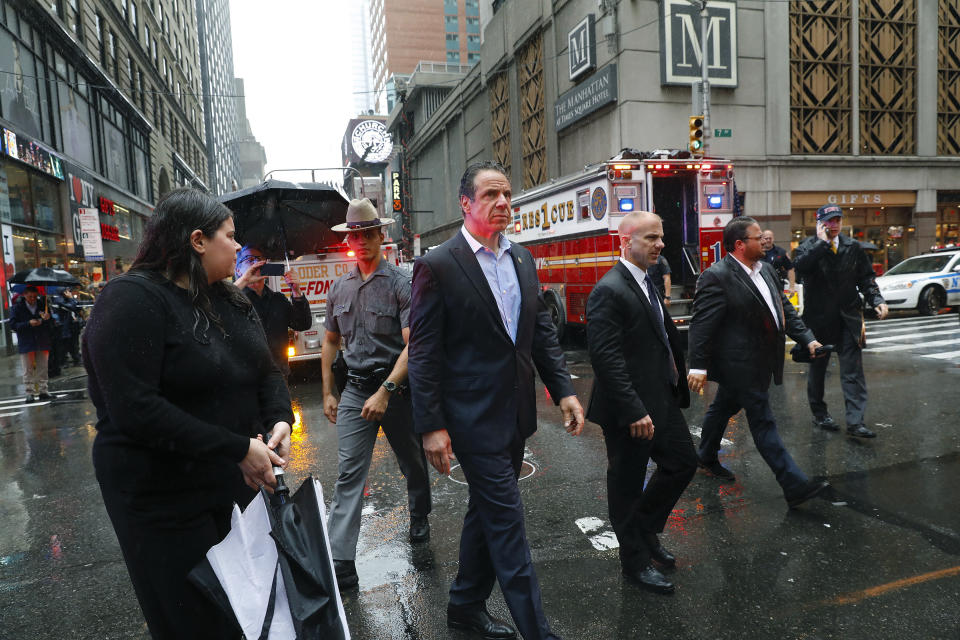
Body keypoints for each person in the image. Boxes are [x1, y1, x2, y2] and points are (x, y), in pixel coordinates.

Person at [82, 189, 293, 640]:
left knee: (244, 611)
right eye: (230, 237)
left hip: (226, 482)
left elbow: (266, 369)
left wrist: (280, 420)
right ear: (198, 240)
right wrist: (238, 447)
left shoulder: (231, 300)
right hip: (160, 494)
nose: (238, 248)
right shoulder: (130, 300)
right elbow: (136, 410)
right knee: (193, 618)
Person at [408, 162, 584, 640]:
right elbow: (423, 353)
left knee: (484, 514)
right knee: (507, 524)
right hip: (470, 420)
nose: (504, 203)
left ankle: (465, 606)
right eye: (491, 195)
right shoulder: (438, 265)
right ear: (466, 204)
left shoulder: (522, 260)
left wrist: (564, 390)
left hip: (515, 416)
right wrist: (431, 426)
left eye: (507, 194)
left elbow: (540, 334)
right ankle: (538, 631)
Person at [321, 198, 432, 591]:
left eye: (369, 234)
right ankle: (341, 560)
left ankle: (419, 514)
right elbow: (331, 342)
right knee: (350, 472)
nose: (362, 241)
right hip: (354, 390)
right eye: (356, 235)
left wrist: (387, 390)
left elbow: (412, 345)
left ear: (380, 236)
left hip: (396, 390)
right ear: (349, 240)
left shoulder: (401, 284)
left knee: (413, 462)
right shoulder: (340, 288)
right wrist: (328, 392)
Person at [585, 211, 697, 595]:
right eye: (650, 238)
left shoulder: (645, 282)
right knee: (626, 486)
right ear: (625, 241)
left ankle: (645, 529)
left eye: (660, 237)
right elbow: (606, 358)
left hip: (660, 398)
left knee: (683, 462)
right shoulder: (609, 289)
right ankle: (634, 562)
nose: (660, 244)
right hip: (628, 408)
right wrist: (633, 409)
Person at [687, 217, 830, 509]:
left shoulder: (765, 270)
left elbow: (784, 309)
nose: (764, 241)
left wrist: (808, 339)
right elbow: (701, 325)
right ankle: (794, 485)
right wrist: (697, 365)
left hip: (763, 359)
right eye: (757, 238)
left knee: (723, 407)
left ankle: (705, 458)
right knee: (763, 422)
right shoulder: (717, 276)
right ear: (740, 245)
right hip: (739, 364)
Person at [794, 204, 888, 438]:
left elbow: (866, 278)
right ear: (819, 223)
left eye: (837, 220)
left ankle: (856, 422)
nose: (834, 225)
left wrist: (876, 298)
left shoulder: (852, 247)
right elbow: (801, 268)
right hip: (819, 321)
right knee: (818, 371)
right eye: (829, 221)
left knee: (853, 372)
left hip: (849, 319)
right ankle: (820, 414)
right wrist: (821, 244)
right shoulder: (808, 247)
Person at [233, 245, 311, 375]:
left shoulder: (278, 299)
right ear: (238, 270)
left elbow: (303, 323)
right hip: (247, 378)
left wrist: (296, 290)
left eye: (259, 259)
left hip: (278, 375)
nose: (255, 262)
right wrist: (245, 281)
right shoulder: (235, 300)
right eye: (249, 259)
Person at [10, 285, 52, 402]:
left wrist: (46, 318)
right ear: (24, 295)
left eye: (35, 296)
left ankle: (44, 391)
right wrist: (28, 323)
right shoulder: (17, 308)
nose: (33, 299)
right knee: (27, 369)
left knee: (43, 368)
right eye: (30, 297)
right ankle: (30, 392)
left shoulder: (42, 305)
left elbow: (51, 324)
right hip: (27, 342)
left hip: (42, 341)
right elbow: (13, 325)